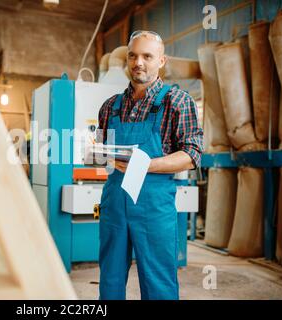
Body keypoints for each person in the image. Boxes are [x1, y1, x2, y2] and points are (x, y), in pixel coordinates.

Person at [97, 30, 203, 300]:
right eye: (132, 56)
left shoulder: (177, 102)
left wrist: (145, 165)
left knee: (159, 282)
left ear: (162, 61)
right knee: (109, 279)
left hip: (153, 207)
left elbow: (192, 154)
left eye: (147, 56)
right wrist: (95, 151)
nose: (138, 62)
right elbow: (101, 154)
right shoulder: (110, 106)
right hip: (115, 202)